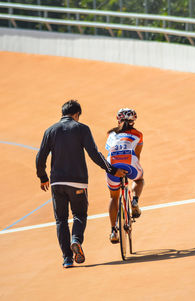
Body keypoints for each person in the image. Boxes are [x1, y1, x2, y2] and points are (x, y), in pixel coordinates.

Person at [36, 100, 127, 268]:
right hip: (77, 181)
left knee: (61, 220)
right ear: (77, 114)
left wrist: (43, 177)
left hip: (56, 182)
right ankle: (76, 240)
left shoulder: (50, 130)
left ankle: (67, 259)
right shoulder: (81, 129)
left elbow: (40, 157)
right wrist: (112, 170)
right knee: (79, 214)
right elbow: (94, 153)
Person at [105, 108, 144, 243]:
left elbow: (110, 151)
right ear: (133, 121)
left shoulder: (110, 133)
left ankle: (113, 231)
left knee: (113, 197)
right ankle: (134, 200)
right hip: (130, 162)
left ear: (118, 119)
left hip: (112, 165)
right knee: (139, 180)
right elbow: (137, 155)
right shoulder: (138, 134)